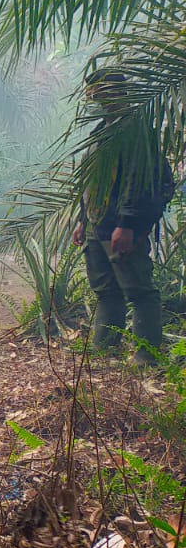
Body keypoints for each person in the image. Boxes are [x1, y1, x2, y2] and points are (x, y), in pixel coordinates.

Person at [74, 72, 175, 363]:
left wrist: (127, 224)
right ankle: (105, 350)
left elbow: (138, 180)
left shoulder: (135, 129)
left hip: (120, 225)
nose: (92, 98)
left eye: (97, 91)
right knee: (106, 289)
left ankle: (147, 357)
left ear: (114, 92)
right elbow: (93, 180)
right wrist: (82, 220)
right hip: (97, 222)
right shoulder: (102, 129)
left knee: (138, 289)